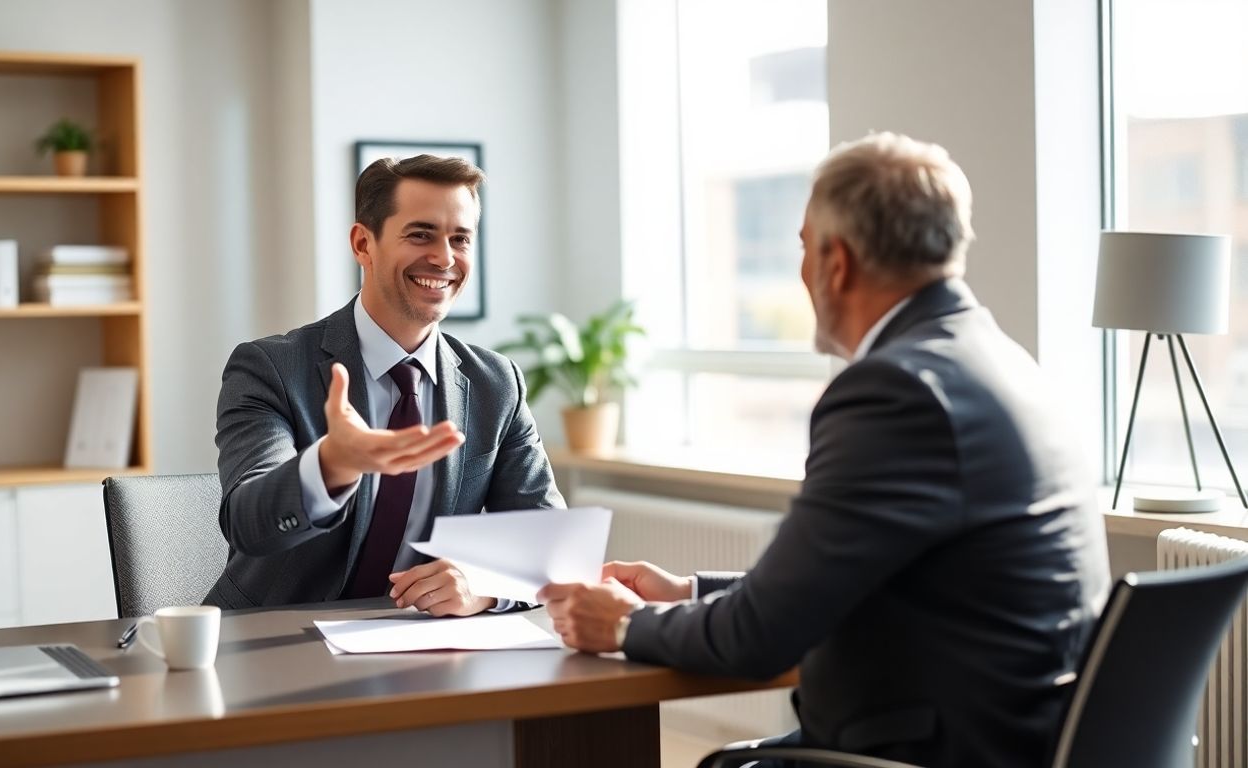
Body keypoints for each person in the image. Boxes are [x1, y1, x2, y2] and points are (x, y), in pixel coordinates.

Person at [538, 133, 1111, 767]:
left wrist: (623, 625)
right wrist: (688, 591)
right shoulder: (998, 361)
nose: (803, 270)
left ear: (837, 262)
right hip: (1013, 735)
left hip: (926, 750)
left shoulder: (897, 389)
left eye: (804, 248)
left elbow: (760, 639)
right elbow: (832, 584)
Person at [205, 154, 564, 616]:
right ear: (363, 243)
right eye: (420, 235)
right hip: (276, 640)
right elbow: (249, 524)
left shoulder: (496, 384)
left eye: (460, 238)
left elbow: (546, 542)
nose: (444, 257)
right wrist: (332, 464)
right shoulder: (270, 367)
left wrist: (484, 585)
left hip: (421, 646)